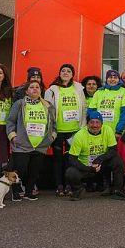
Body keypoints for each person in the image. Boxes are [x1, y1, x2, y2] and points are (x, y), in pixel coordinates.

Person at [5, 78, 55, 201]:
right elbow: (10, 121)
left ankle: (28, 192)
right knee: (21, 170)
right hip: (21, 144)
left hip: (40, 145)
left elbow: (54, 124)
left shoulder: (48, 105)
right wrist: (13, 136)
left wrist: (52, 137)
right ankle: (16, 191)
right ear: (26, 91)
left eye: (37, 87)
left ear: (41, 90)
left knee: (34, 171)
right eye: (31, 87)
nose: (35, 89)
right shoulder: (20, 104)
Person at [45, 63, 87, 196]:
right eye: (63, 71)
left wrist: (82, 127)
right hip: (58, 131)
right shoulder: (51, 90)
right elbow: (47, 111)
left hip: (74, 131)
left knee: (71, 159)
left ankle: (69, 185)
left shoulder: (79, 88)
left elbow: (84, 108)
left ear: (72, 74)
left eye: (68, 71)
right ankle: (59, 185)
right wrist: (50, 130)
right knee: (57, 159)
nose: (65, 73)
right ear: (59, 73)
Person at [65, 111, 123, 201]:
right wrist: (89, 168)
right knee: (70, 172)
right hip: (86, 167)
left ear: (102, 124)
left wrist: (99, 159)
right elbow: (72, 159)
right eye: (91, 122)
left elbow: (113, 150)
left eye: (97, 122)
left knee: (117, 161)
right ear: (87, 124)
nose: (95, 125)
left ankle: (117, 190)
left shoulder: (107, 130)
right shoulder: (79, 135)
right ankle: (78, 189)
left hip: (101, 165)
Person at [91, 69, 125, 137]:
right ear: (106, 79)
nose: (112, 79)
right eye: (110, 77)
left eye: (115, 77)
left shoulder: (124, 92)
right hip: (99, 131)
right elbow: (91, 111)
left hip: (116, 132)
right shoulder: (98, 92)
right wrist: (93, 126)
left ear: (119, 79)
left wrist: (119, 130)